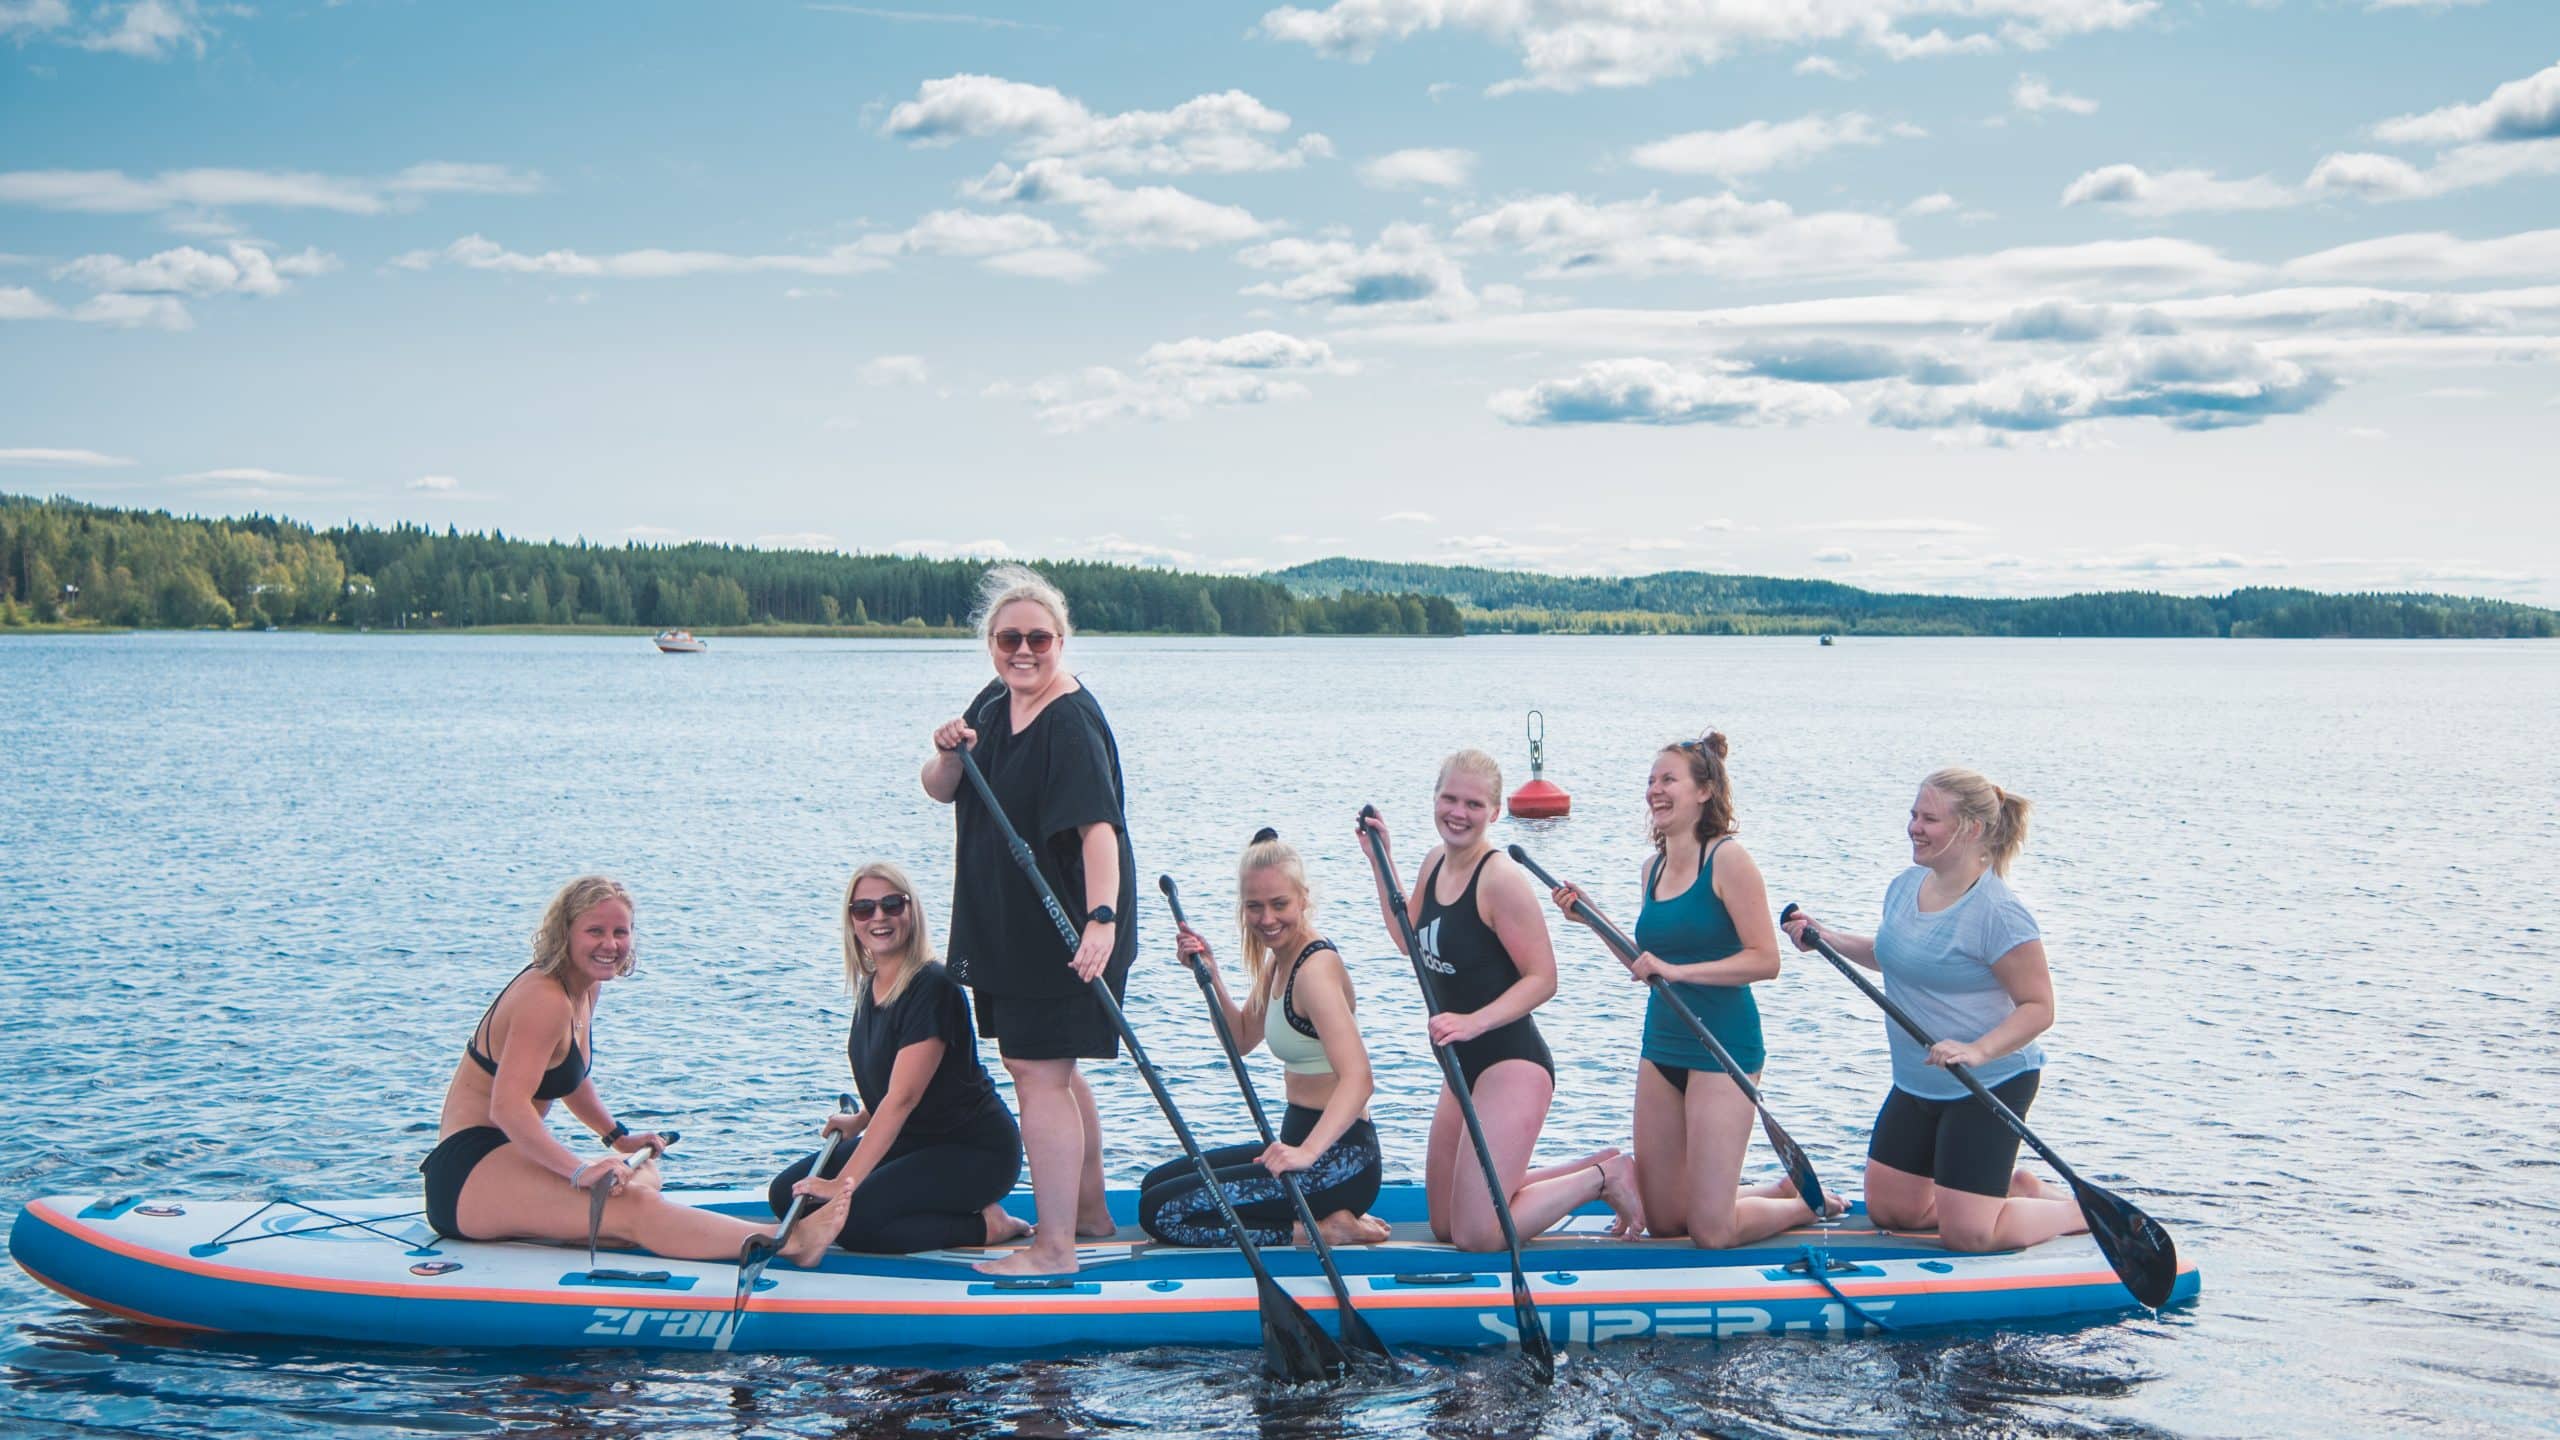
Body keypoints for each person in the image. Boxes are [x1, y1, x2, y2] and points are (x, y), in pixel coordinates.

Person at [421, 875, 842, 1263]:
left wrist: (619, 1138)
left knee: (640, 1171)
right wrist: (580, 1170)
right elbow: (507, 1108)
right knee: (635, 1204)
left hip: (507, 1157)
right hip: (467, 1172)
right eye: (595, 931)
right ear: (563, 934)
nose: (610, 944)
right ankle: (790, 1242)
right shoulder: (544, 999)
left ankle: (595, 1226)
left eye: (620, 932)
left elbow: (570, 1078)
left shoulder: (584, 988)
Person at [922, 564, 1138, 1277]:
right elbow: (940, 788)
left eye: (1038, 639)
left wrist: (1101, 921)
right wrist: (946, 747)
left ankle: (1053, 1250)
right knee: (1052, 1068)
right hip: (1009, 927)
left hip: (1065, 928)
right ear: (990, 643)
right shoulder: (994, 700)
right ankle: (1087, 1216)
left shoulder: (1069, 721)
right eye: (1009, 637)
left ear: (1060, 640)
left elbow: (1098, 830)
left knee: (1036, 1072)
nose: (1024, 650)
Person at [1780, 768, 2090, 1253]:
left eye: (1930, 819)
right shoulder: (1905, 887)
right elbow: (1895, 956)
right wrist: (1826, 938)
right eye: (1913, 815)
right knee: (1892, 1212)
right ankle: (2016, 1188)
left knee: (1968, 1235)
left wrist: (1977, 1050)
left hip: (1987, 1084)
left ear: (1971, 829)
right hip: (1918, 1081)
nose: (1914, 827)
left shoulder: (1999, 913)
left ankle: (2075, 1211)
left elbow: (2039, 1008)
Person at [1549, 732, 1837, 1249]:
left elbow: (1765, 961)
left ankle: (1799, 1205)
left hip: (1723, 1048)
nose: (1655, 791)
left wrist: (1682, 972)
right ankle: (1768, 1189)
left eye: (1668, 780)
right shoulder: (1651, 869)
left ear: (1704, 791)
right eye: (1651, 781)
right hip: (1661, 1047)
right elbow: (1648, 965)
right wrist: (1591, 918)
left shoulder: (1728, 860)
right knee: (1665, 1222)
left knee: (1711, 1231)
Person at [1360, 749, 1644, 1251]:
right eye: (1449, 798)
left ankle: (1604, 1177)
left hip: (1511, 1063)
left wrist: (1474, 1022)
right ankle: (1593, 1162)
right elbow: (1408, 939)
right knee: (1444, 1223)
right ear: (1434, 798)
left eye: (1473, 803)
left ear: (1493, 812)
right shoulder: (1434, 862)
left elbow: (1543, 978)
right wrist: (1379, 859)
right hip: (1462, 1066)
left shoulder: (1500, 881)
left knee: (1477, 1234)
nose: (1458, 812)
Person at [1140, 829, 1391, 1249]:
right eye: (1255, 907)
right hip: (1300, 1149)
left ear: (1303, 899)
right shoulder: (1280, 961)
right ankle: (1321, 1218)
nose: (1267, 919)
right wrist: (1210, 973)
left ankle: (1322, 1230)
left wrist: (1307, 1154)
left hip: (1339, 1163)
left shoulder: (1314, 970)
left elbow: (1360, 1078)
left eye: (1280, 905)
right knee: (1155, 1184)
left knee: (1164, 1213)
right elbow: (1240, 1040)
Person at [768, 862, 1030, 1253]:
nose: (879, 917)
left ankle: (987, 1226)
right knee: (786, 1197)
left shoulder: (934, 986)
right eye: (864, 909)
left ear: (912, 911)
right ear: (851, 920)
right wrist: (861, 1120)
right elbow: (896, 1085)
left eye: (892, 904)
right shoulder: (872, 986)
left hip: (972, 1149)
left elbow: (903, 1098)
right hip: (911, 1139)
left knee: (853, 1222)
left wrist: (844, 1184)